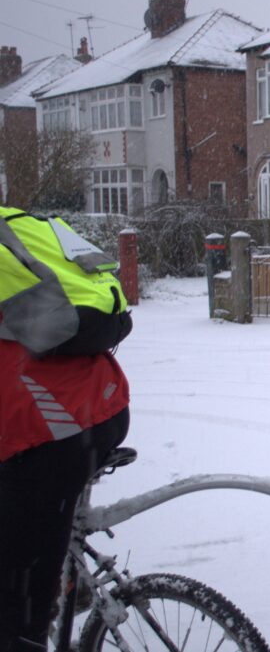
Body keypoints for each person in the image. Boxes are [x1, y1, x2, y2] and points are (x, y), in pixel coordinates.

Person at [0, 205, 132, 652]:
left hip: (53, 431)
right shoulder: (24, 226)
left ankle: (30, 630)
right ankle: (64, 584)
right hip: (104, 404)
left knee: (17, 601)